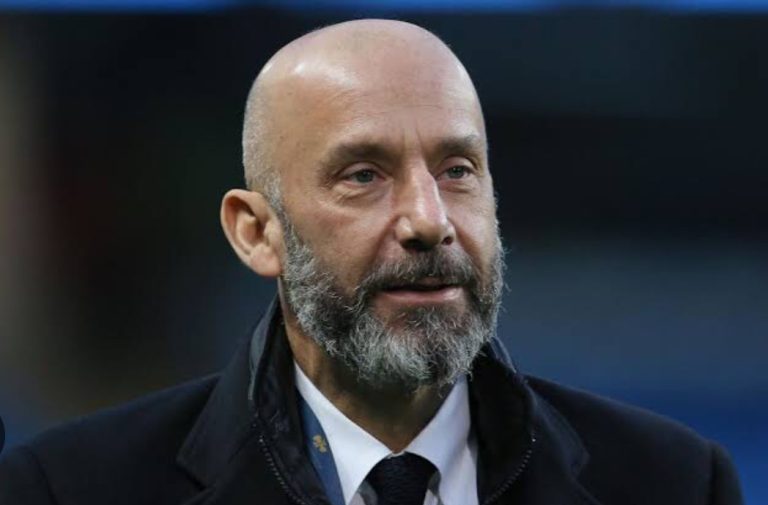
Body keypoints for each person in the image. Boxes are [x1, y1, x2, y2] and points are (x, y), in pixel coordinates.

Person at [0, 19, 743, 505]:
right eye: (364, 175)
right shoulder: (70, 489)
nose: (429, 220)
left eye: (457, 171)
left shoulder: (676, 483)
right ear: (256, 232)